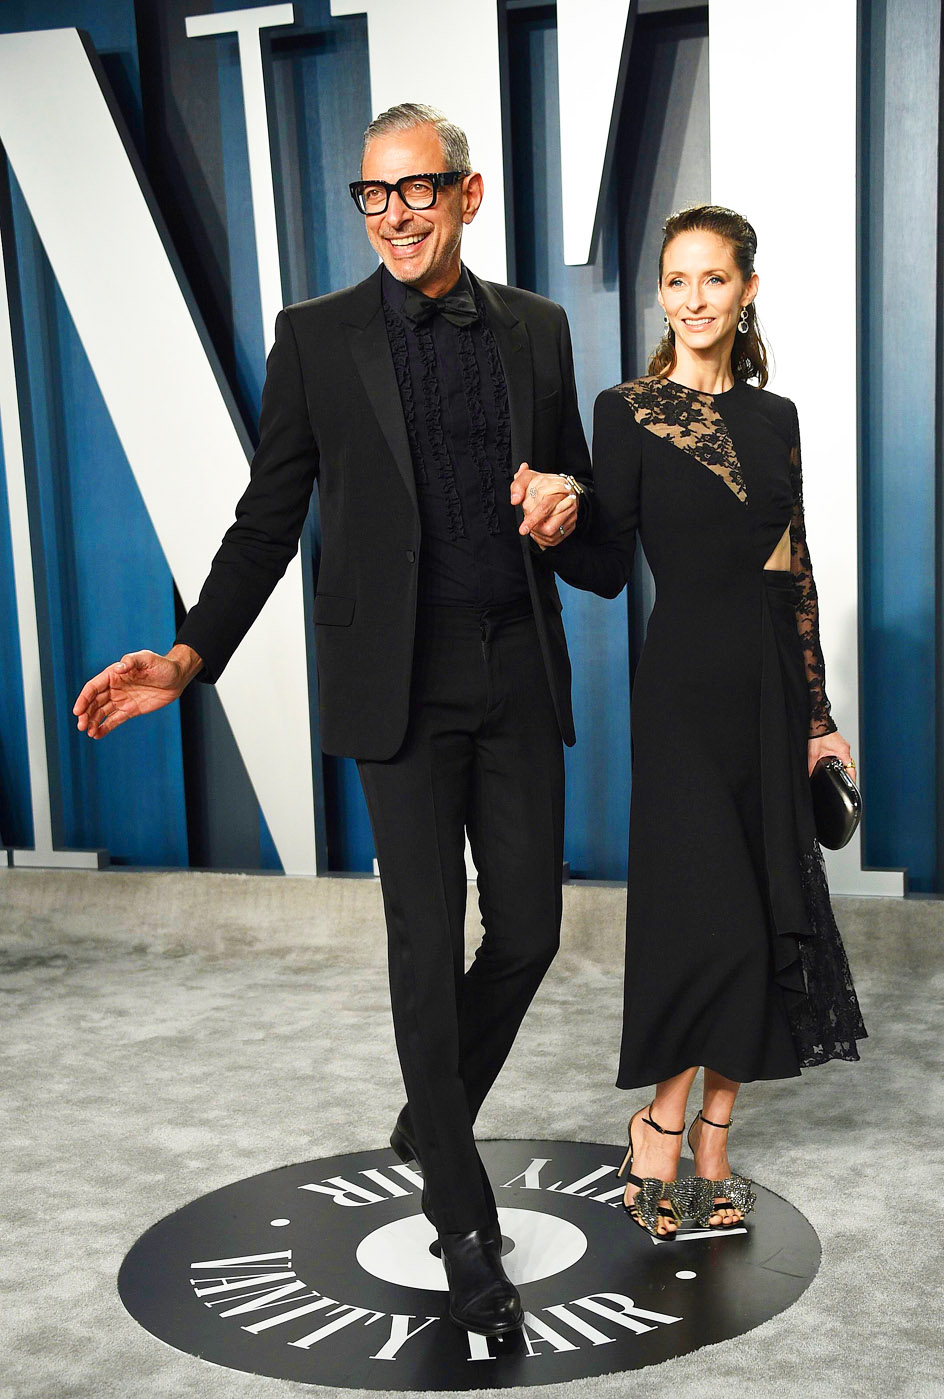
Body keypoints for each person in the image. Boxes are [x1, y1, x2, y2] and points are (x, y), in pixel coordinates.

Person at [72, 103, 592, 1331]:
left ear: (467, 197)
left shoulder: (539, 329)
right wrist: (190, 653)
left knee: (528, 929)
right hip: (394, 686)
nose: (394, 214)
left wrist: (568, 507)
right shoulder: (314, 339)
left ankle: (432, 1100)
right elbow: (269, 516)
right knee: (424, 941)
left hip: (514, 668)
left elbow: (580, 512)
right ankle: (462, 1222)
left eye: (417, 191)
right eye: (373, 195)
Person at [553, 205, 866, 1238]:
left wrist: (818, 716)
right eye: (676, 281)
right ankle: (657, 1128)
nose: (692, 299)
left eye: (713, 280)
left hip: (767, 690)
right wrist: (555, 526)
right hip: (681, 693)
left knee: (769, 904)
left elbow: (796, 569)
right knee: (710, 918)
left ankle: (715, 1146)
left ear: (746, 292)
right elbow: (604, 568)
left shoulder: (775, 420)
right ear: (661, 296)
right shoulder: (629, 410)